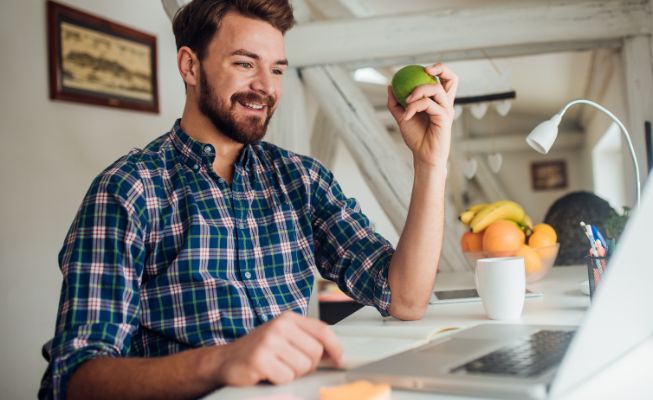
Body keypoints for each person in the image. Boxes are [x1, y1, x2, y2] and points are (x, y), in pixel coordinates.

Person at [38, 0, 459, 399]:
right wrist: (221, 362)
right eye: (244, 63)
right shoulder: (127, 190)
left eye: (276, 69)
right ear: (190, 65)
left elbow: (403, 298)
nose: (265, 87)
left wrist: (430, 162)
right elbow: (73, 380)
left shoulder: (301, 179)